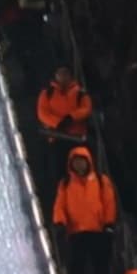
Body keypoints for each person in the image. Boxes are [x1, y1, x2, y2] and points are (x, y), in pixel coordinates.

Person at [53, 146, 117, 274]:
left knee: (102, 272)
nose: (79, 165)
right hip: (76, 234)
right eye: (75, 162)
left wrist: (109, 224)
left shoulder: (101, 181)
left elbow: (109, 202)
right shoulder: (66, 183)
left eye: (82, 161)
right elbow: (60, 205)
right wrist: (60, 222)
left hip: (97, 232)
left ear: (88, 162)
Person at [37, 65, 92, 198]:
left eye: (65, 73)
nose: (62, 77)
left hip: (76, 139)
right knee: (58, 172)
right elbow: (42, 112)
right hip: (56, 138)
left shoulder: (80, 93)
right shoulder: (47, 93)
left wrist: (71, 117)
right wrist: (58, 122)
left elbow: (86, 108)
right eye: (60, 73)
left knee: (79, 172)